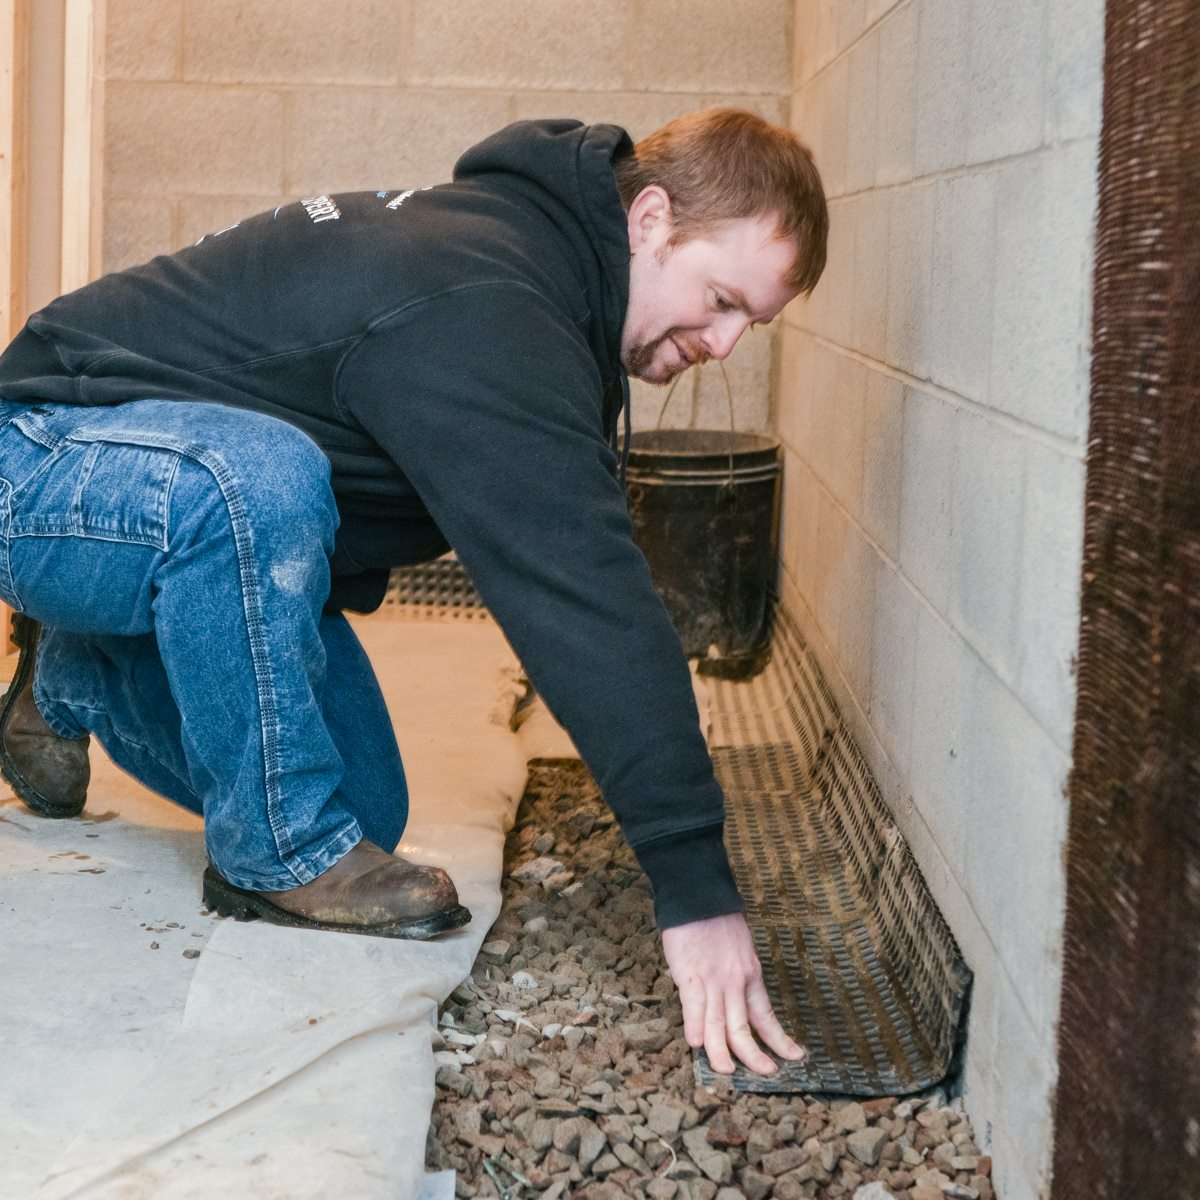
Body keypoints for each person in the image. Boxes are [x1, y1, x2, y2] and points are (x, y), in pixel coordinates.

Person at [0, 108, 827, 1074]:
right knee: (254, 490)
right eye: (722, 299)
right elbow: (584, 597)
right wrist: (695, 886)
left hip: (150, 492)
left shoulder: (537, 291)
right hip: (38, 456)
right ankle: (275, 859)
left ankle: (73, 674)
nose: (726, 344)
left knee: (357, 809)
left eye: (751, 324)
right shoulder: (487, 298)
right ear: (648, 221)